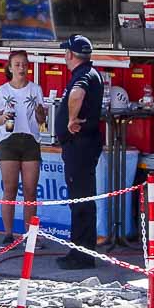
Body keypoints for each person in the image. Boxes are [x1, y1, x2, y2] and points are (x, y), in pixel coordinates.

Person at [55, 34, 104, 270]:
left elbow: (77, 94)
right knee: (79, 200)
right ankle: (78, 250)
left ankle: (82, 255)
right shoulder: (85, 74)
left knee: (82, 200)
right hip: (81, 146)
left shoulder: (83, 76)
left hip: (81, 147)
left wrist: (71, 119)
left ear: (71, 54)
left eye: (66, 51)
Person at [0, 49, 47, 247]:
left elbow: (42, 121)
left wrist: (42, 113)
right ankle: (8, 234)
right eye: (17, 64)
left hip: (31, 140)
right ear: (10, 67)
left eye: (24, 64)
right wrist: (4, 117)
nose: (21, 68)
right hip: (9, 140)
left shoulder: (35, 89)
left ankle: (30, 235)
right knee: (10, 189)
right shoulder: (2, 91)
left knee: (31, 191)